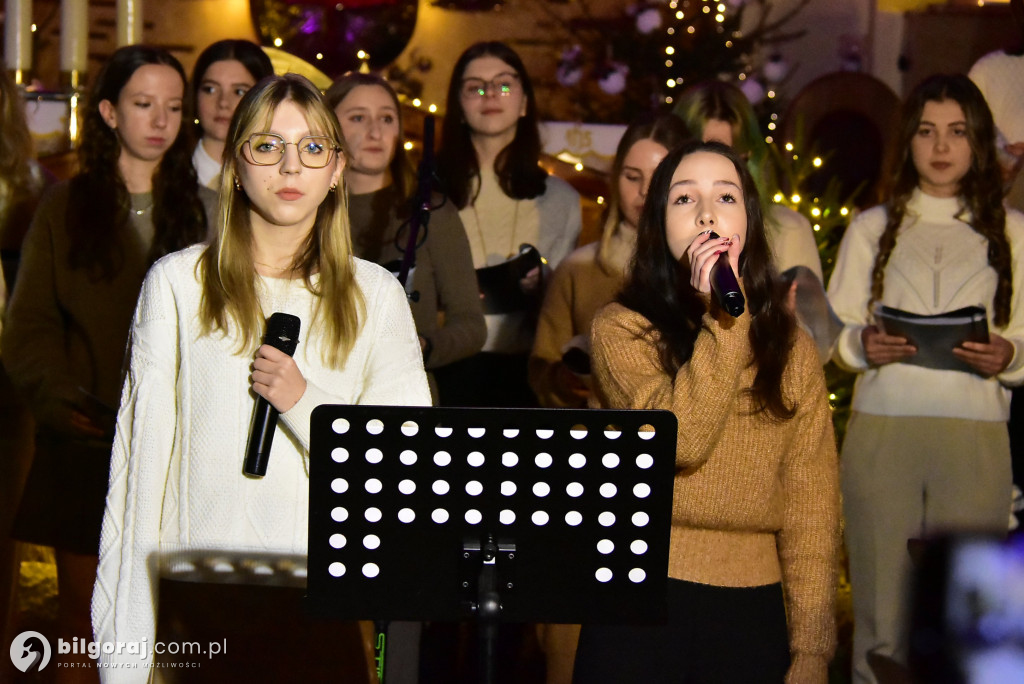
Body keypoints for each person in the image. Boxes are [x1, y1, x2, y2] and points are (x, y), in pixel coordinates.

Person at [91, 73, 431, 679]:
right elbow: (138, 479)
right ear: (235, 163)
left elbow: (406, 465)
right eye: (267, 146)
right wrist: (125, 657)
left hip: (323, 596)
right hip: (197, 602)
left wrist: (306, 405)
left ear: (336, 170)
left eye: (312, 148)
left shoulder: (375, 296)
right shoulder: (177, 284)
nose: (290, 166)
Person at [577, 140, 840, 684]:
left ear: (749, 220)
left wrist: (813, 649)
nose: (706, 213)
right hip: (640, 598)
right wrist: (726, 323)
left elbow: (811, 504)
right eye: (682, 199)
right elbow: (680, 442)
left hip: (751, 610)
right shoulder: (622, 329)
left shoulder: (791, 349)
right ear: (658, 224)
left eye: (726, 196)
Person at [2, 45, 208, 683]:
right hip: (88, 445)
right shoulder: (67, 207)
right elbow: (28, 326)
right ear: (110, 113)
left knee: (178, 636)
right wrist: (64, 401)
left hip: (182, 449)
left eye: (174, 107)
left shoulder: (205, 208)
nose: (161, 121)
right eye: (144, 105)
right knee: (85, 631)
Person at [827, 73, 1024, 683]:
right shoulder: (871, 228)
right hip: (884, 434)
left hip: (975, 436)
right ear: (908, 142)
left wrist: (1008, 356)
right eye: (928, 132)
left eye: (958, 132)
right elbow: (834, 331)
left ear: (978, 143)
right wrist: (862, 343)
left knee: (974, 619)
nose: (942, 147)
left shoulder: (1015, 232)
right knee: (881, 618)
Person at [434, 41, 581, 409]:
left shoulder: (560, 199)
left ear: (525, 102)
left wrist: (544, 281)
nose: (489, 96)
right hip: (447, 366)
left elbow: (570, 302)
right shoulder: (431, 191)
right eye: (475, 87)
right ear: (459, 106)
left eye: (503, 84)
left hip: (528, 371)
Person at [326, 72, 485, 403]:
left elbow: (470, 324)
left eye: (387, 118)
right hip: (323, 391)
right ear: (328, 127)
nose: (375, 131)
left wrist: (421, 347)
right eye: (358, 117)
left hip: (404, 400)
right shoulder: (309, 211)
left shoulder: (431, 212)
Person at [529, 113, 690, 412]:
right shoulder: (579, 269)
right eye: (632, 176)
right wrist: (565, 380)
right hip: (600, 444)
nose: (644, 191)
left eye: (659, 178)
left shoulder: (703, 273)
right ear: (616, 179)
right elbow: (542, 370)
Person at [674, 80, 822, 280]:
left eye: (729, 158)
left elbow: (806, 310)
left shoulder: (789, 232)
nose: (714, 173)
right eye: (700, 157)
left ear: (749, 158)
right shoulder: (650, 237)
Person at [190, 39, 274, 188]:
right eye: (210, 89)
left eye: (239, 92)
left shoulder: (277, 176)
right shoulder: (166, 177)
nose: (223, 102)